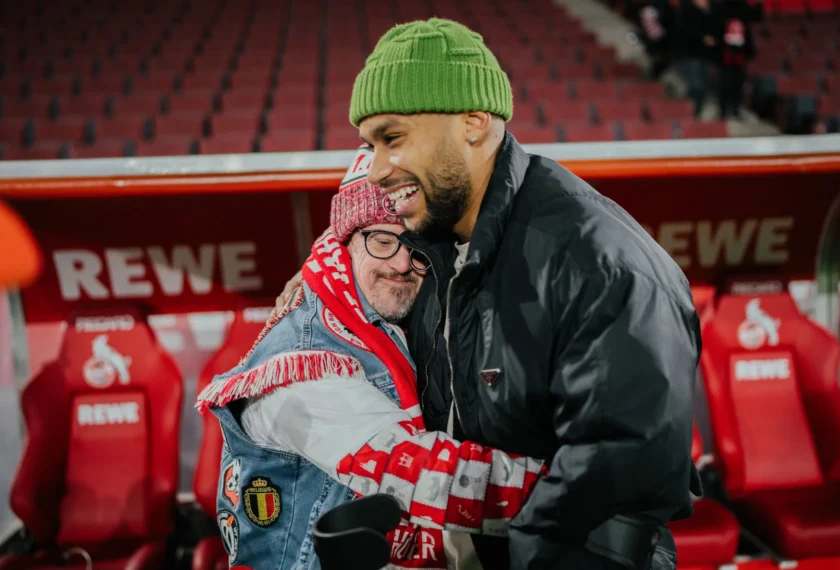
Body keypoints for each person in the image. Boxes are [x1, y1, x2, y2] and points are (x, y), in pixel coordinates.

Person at [276, 17, 702, 570]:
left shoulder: (599, 264)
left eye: (393, 138)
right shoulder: (432, 248)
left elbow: (612, 501)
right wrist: (318, 271)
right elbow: (363, 242)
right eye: (369, 145)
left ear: (474, 124)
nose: (376, 170)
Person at [197, 147, 545, 570]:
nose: (401, 263)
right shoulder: (304, 364)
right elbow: (421, 475)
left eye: (415, 246)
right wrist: (573, 491)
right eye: (383, 241)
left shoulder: (370, 296)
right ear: (346, 240)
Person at [714, 0, 763, 119]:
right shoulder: (722, 8)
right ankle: (724, 110)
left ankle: (734, 109)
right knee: (726, 82)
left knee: (737, 82)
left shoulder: (742, 6)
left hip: (738, 52)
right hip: (725, 52)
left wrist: (759, 5)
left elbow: (754, 17)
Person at [673, 0, 719, 117]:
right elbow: (683, 32)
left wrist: (706, 12)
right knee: (694, 86)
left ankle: (696, 114)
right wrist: (701, 38)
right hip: (689, 56)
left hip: (705, 56)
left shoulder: (709, 11)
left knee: (704, 86)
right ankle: (689, 114)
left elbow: (715, 29)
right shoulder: (685, 11)